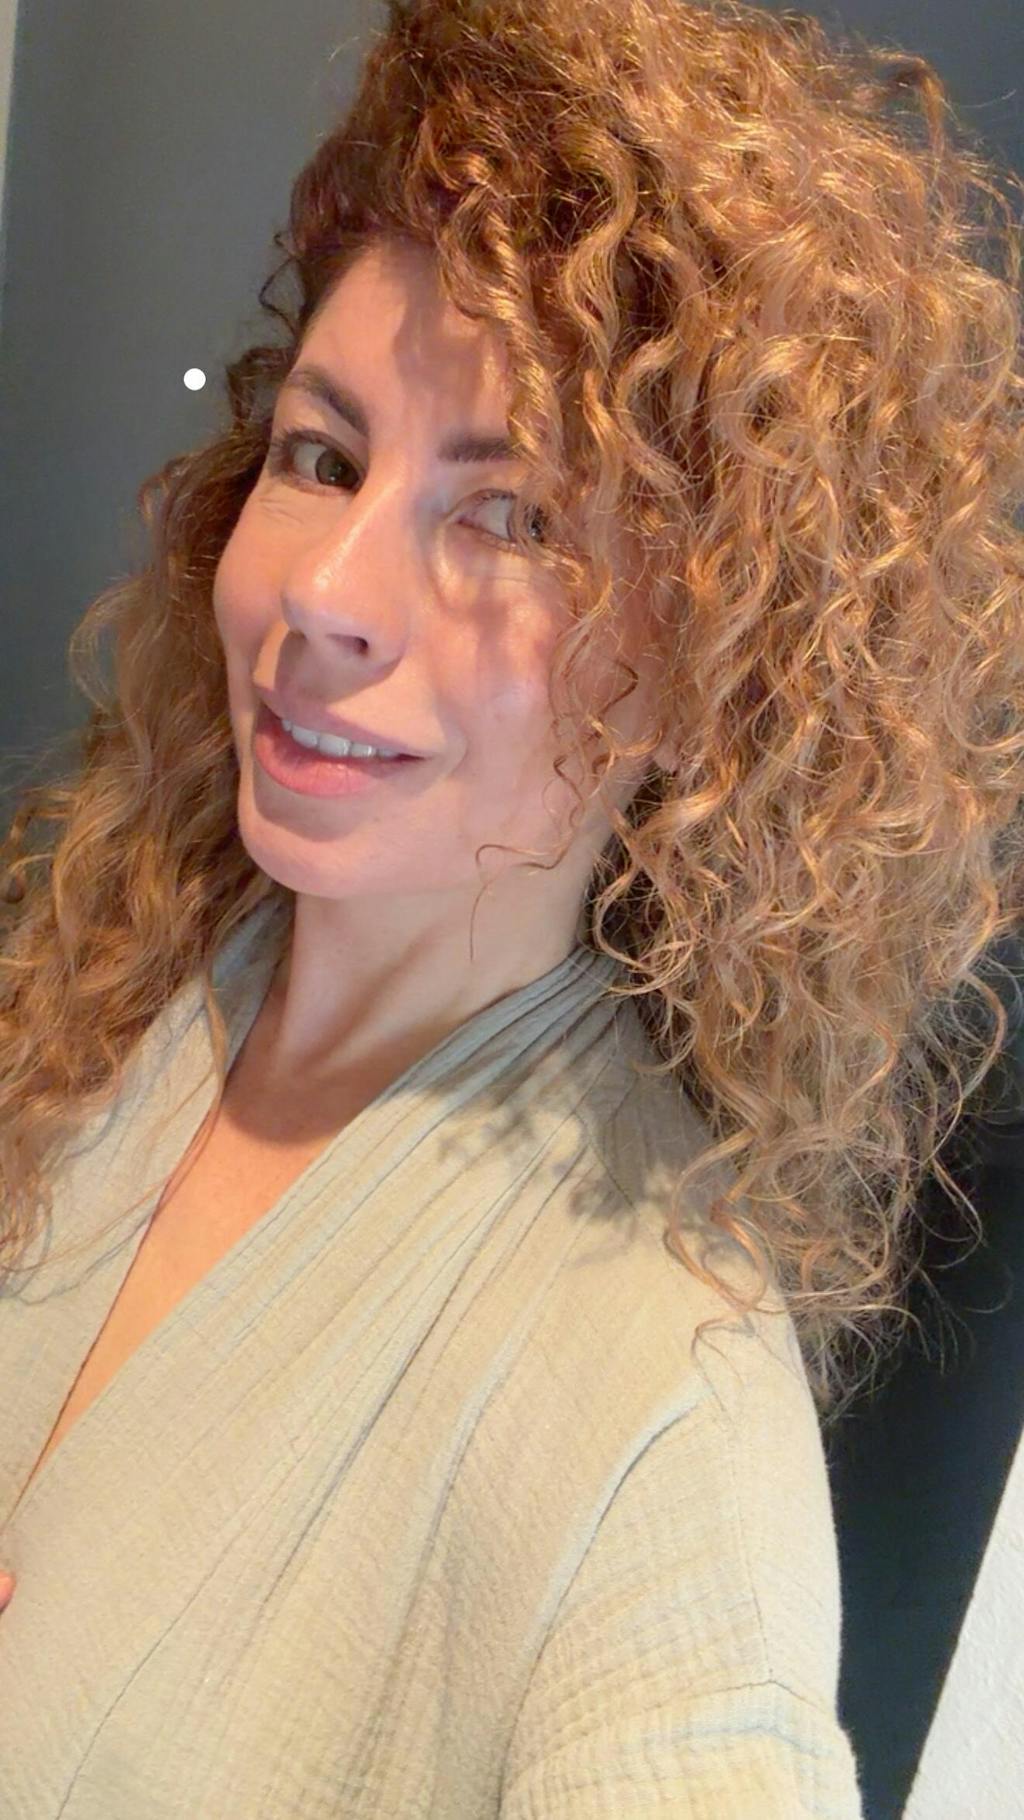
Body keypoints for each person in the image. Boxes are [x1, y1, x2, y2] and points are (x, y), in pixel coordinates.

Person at [1, 0, 1022, 1812]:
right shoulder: (121, 957)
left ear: (714, 670)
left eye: (517, 519)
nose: (326, 594)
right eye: (324, 458)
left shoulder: (663, 1421)